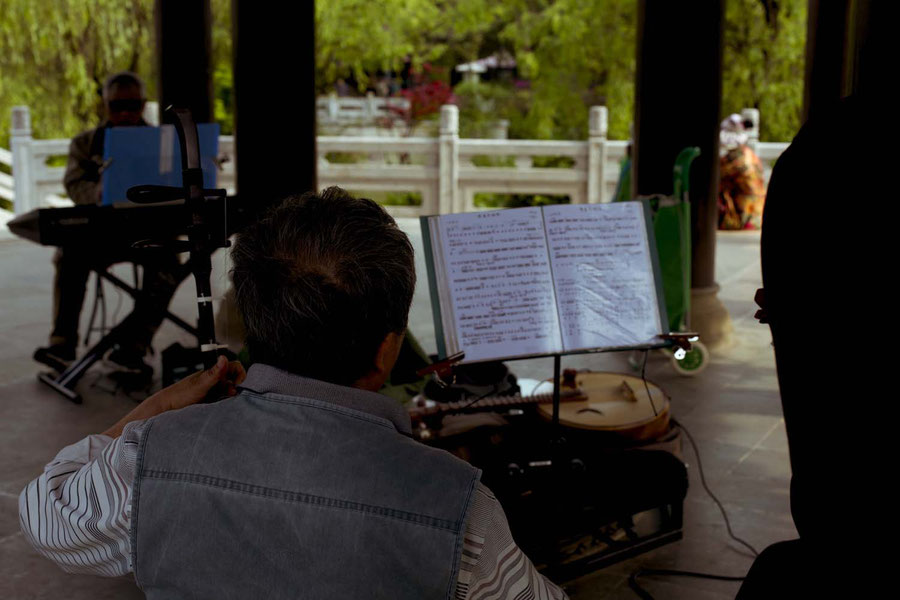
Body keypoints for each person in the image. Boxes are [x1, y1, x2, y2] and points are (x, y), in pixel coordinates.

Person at [19, 188, 568, 599]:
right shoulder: (459, 505)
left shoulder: (147, 462)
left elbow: (46, 512)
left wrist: (156, 410)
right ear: (387, 351)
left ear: (253, 322)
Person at [33, 71, 182, 382]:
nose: (125, 113)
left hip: (149, 233)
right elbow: (74, 183)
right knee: (68, 255)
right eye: (117, 106)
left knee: (170, 262)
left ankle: (132, 348)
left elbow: (181, 184)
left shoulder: (164, 143)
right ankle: (62, 346)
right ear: (105, 106)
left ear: (143, 105)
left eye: (133, 105)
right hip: (99, 234)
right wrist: (96, 192)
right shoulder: (86, 143)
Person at [717, 113, 765, 230]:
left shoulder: (732, 161)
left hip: (741, 218)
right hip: (758, 217)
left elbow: (716, 180)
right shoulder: (750, 154)